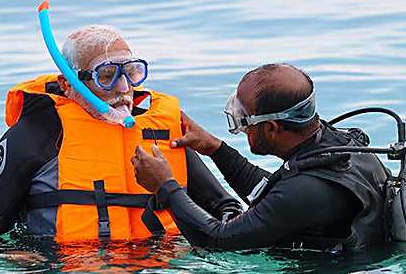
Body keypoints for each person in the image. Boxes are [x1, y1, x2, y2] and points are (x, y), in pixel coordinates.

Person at [0, 25, 240, 243]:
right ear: (67, 83)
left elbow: (227, 209)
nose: (123, 88)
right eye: (106, 75)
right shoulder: (34, 135)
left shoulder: (161, 132)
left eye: (132, 72)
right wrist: (27, 264)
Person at [132, 63, 390, 252]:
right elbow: (273, 195)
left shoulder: (306, 190)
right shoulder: (342, 147)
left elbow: (217, 240)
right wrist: (215, 149)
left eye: (243, 120)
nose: (242, 129)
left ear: (271, 128)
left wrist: (165, 187)